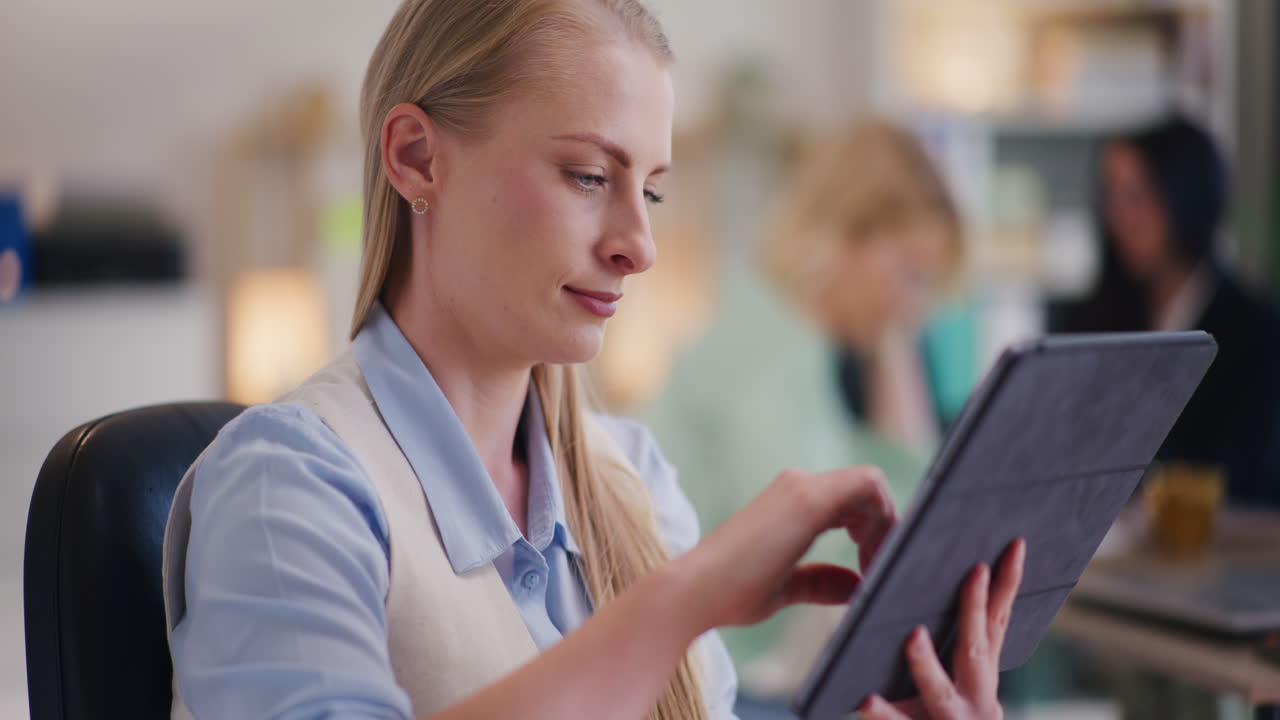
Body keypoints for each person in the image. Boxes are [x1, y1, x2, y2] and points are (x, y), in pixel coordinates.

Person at [162, 2, 1024, 719]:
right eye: (585, 175)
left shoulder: (635, 485)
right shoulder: (289, 487)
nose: (640, 245)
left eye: (650, 190)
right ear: (417, 158)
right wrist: (684, 599)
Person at [1052, 114, 1280, 507]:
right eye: (1112, 194)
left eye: (1138, 194)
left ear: (1185, 194)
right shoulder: (1093, 318)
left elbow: (1243, 473)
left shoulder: (1257, 331)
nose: (1120, 215)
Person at [761, 121, 970, 457]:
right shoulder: (771, 352)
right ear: (844, 240)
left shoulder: (868, 342)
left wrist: (892, 350)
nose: (918, 308)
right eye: (910, 274)